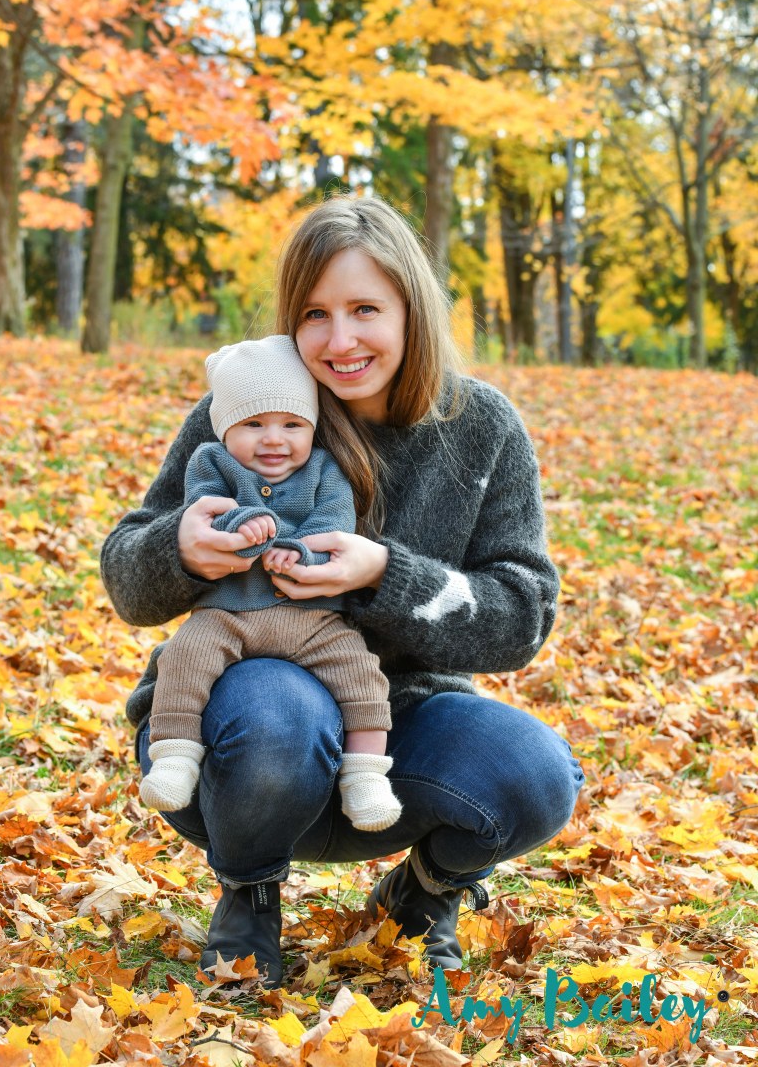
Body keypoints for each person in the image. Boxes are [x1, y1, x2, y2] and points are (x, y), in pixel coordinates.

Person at [101, 194, 585, 989]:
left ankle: (423, 892)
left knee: (536, 774)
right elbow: (127, 576)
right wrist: (179, 548)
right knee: (276, 708)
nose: (340, 340)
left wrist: (382, 575)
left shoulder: (481, 427)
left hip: (398, 738)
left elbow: (523, 617)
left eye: (365, 309)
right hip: (237, 735)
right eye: (315, 314)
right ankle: (249, 890)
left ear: (411, 309)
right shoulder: (252, 406)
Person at [139, 334, 403, 834]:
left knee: (362, 675)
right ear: (225, 428)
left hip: (314, 621)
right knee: (185, 656)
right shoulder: (212, 462)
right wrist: (240, 526)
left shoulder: (325, 469)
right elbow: (206, 512)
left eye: (292, 425)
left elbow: (335, 525)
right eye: (254, 424)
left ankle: (365, 775)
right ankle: (174, 755)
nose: (274, 440)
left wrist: (300, 550)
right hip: (228, 612)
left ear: (312, 426)